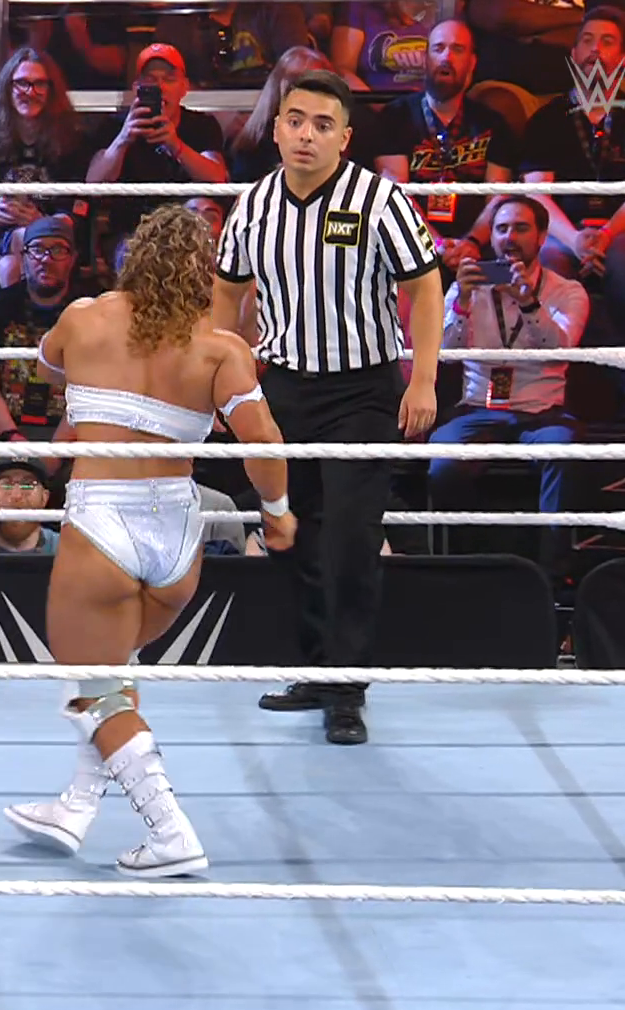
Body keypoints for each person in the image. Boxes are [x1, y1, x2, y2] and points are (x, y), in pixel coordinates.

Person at [2, 205, 294, 878]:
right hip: (179, 537)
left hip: (102, 522)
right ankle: (75, 806)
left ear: (132, 258)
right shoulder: (221, 349)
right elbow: (264, 441)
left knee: (92, 689)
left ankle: (170, 832)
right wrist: (276, 514)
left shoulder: (83, 318)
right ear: (205, 272)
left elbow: (47, 368)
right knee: (111, 670)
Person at [210, 69, 444, 746]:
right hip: (283, 389)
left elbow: (427, 287)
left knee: (348, 537)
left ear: (345, 137)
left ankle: (346, 688)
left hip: (362, 390)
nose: (305, 135)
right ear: (276, 128)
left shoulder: (379, 200)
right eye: (295, 120)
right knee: (291, 533)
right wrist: (225, 377)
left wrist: (423, 379)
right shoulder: (253, 205)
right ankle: (318, 668)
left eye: (321, 124)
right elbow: (226, 295)